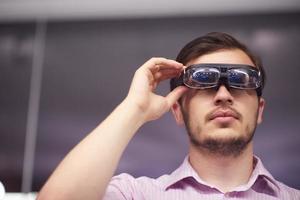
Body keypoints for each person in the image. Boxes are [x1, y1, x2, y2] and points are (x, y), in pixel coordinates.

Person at [37, 32, 300, 199]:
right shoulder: (135, 195)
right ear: (178, 111)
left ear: (260, 110)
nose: (223, 95)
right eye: (204, 81)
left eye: (240, 80)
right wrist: (135, 109)